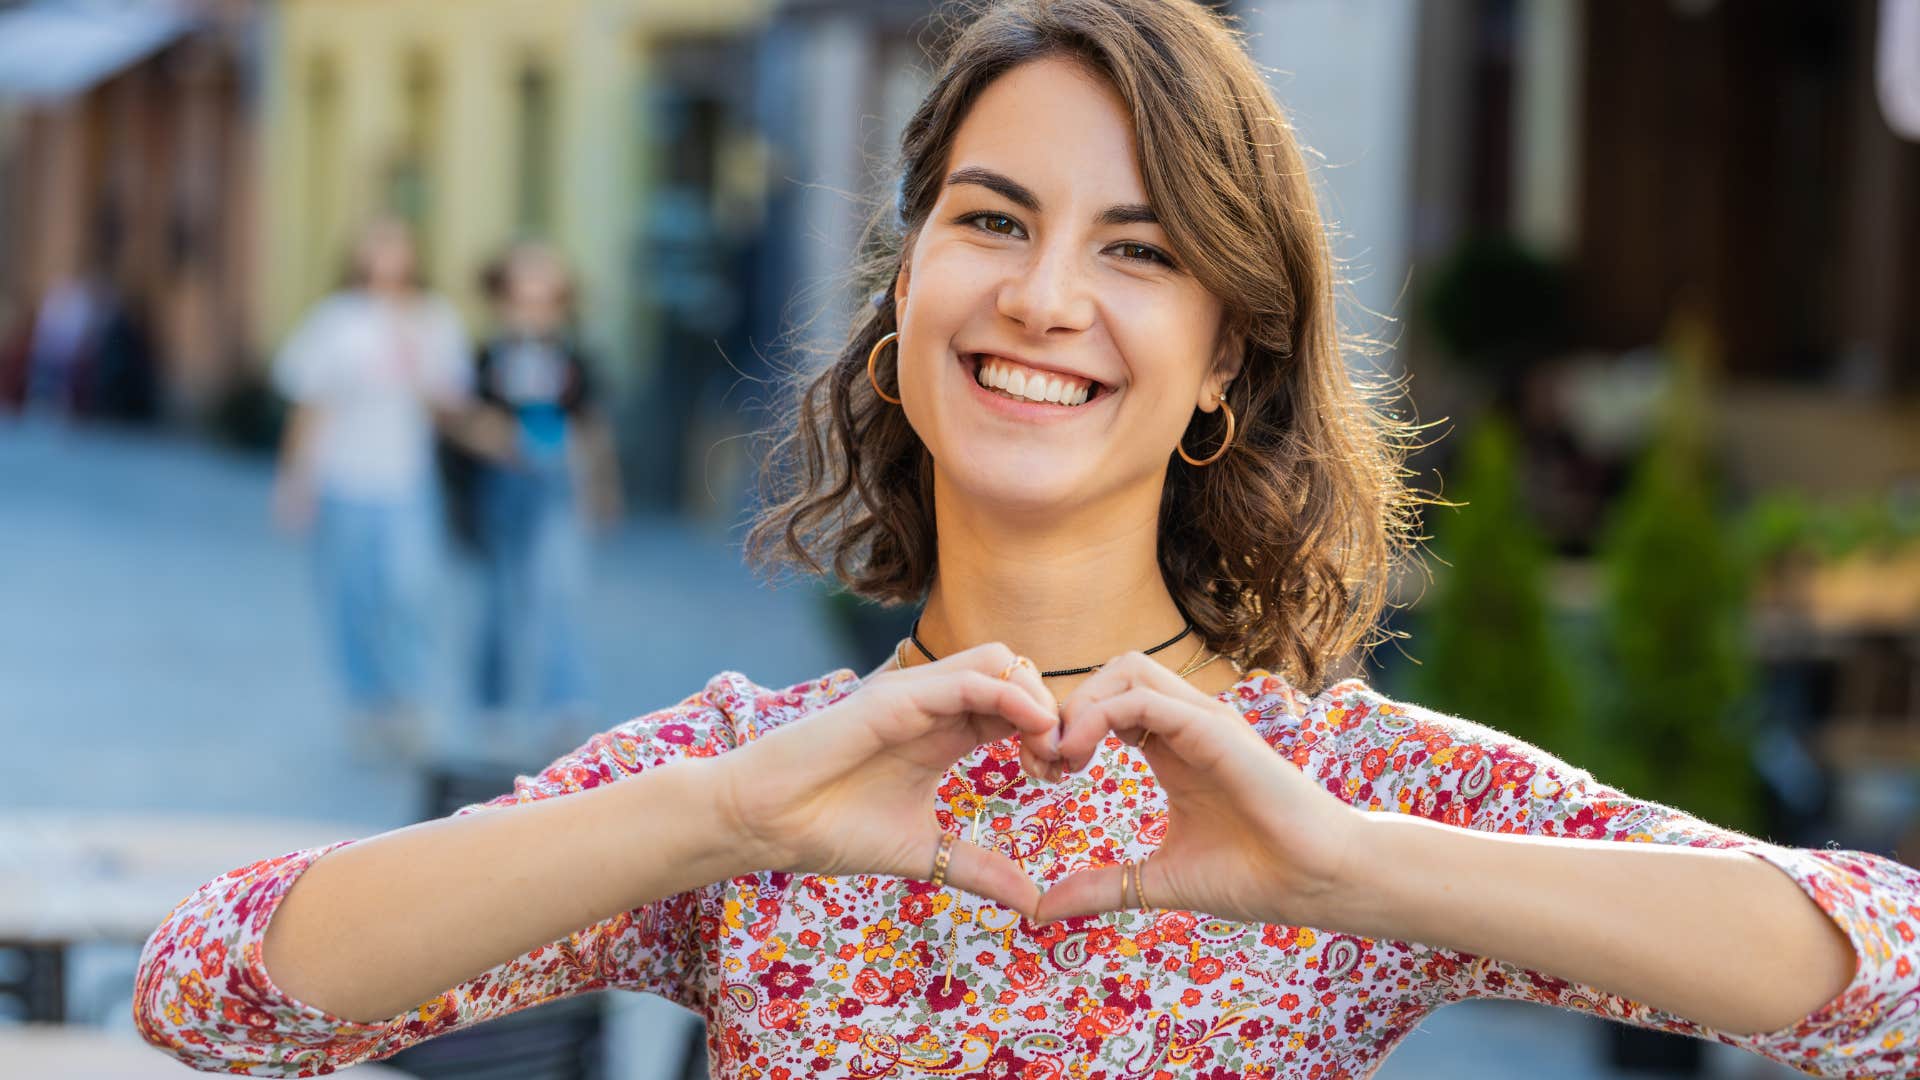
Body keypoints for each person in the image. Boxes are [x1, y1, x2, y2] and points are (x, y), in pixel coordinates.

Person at [135, 2, 1919, 1076]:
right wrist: (720, 820)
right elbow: (215, 993)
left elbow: (1889, 980)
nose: (1046, 296)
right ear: (908, 287)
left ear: (1227, 357)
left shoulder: (1345, 794)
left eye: (1141, 250)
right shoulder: (758, 779)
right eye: (992, 220)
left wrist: (1359, 877)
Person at [270, 216, 472, 759]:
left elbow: (452, 406)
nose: (386, 259)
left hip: (407, 482)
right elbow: (310, 406)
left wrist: (421, 363)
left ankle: (411, 698)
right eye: (374, 246)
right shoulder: (336, 321)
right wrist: (295, 480)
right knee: (350, 596)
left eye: (395, 246)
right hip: (343, 480)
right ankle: (365, 702)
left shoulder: (432, 319)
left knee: (410, 591)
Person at [464, 241, 622, 752]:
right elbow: (461, 415)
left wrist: (602, 487)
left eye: (546, 297)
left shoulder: (574, 357)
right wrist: (495, 439)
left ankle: (565, 703)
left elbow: (593, 424)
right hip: (504, 483)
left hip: (560, 481)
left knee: (563, 593)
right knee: (500, 600)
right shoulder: (487, 356)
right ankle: (495, 706)